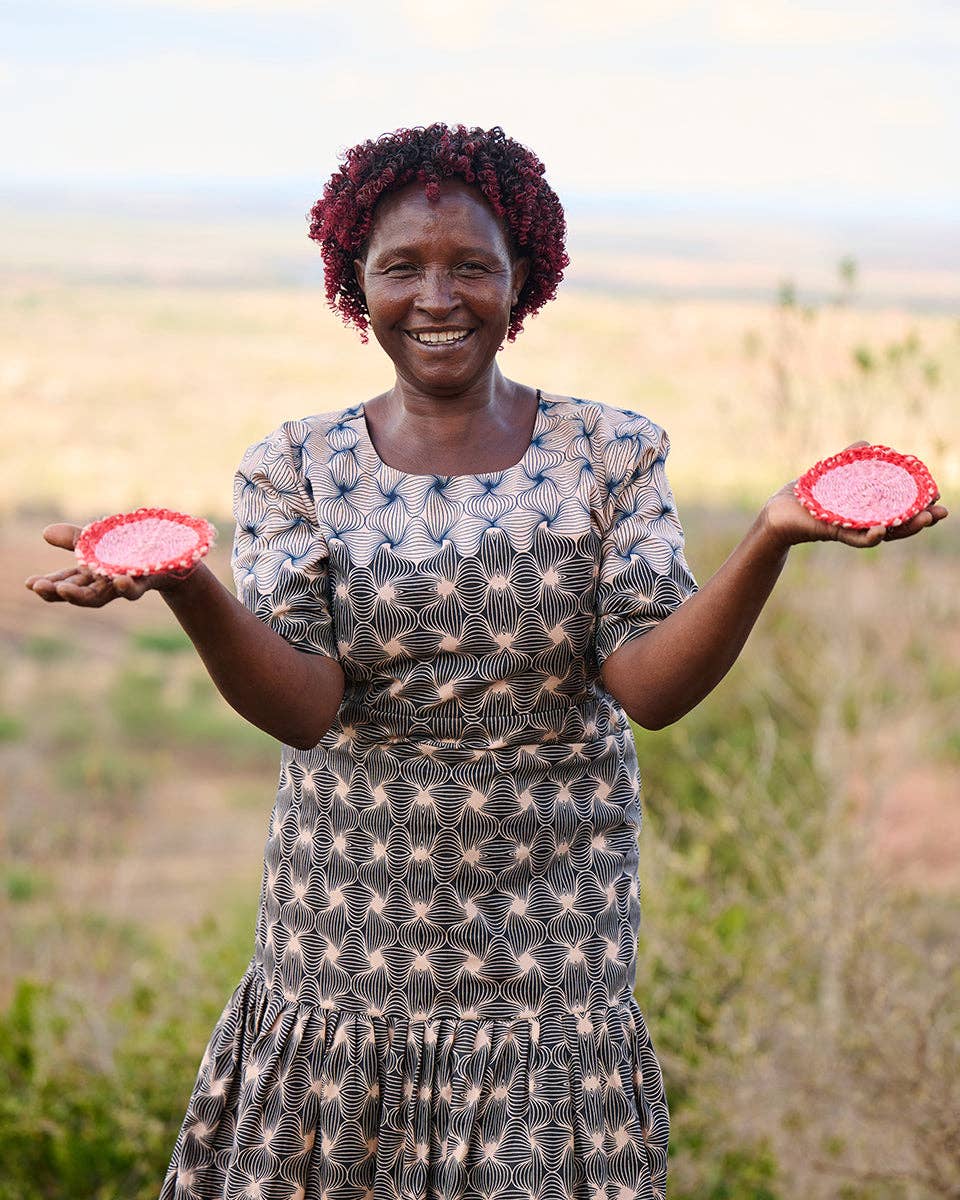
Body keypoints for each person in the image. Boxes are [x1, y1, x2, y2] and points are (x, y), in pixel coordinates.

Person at [26, 123, 947, 1200]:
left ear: (524, 278)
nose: (437, 297)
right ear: (352, 284)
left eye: (472, 265)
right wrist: (190, 586)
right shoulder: (294, 467)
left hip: (552, 941)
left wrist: (771, 536)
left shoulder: (613, 452)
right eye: (401, 267)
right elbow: (305, 706)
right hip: (349, 939)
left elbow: (648, 689)